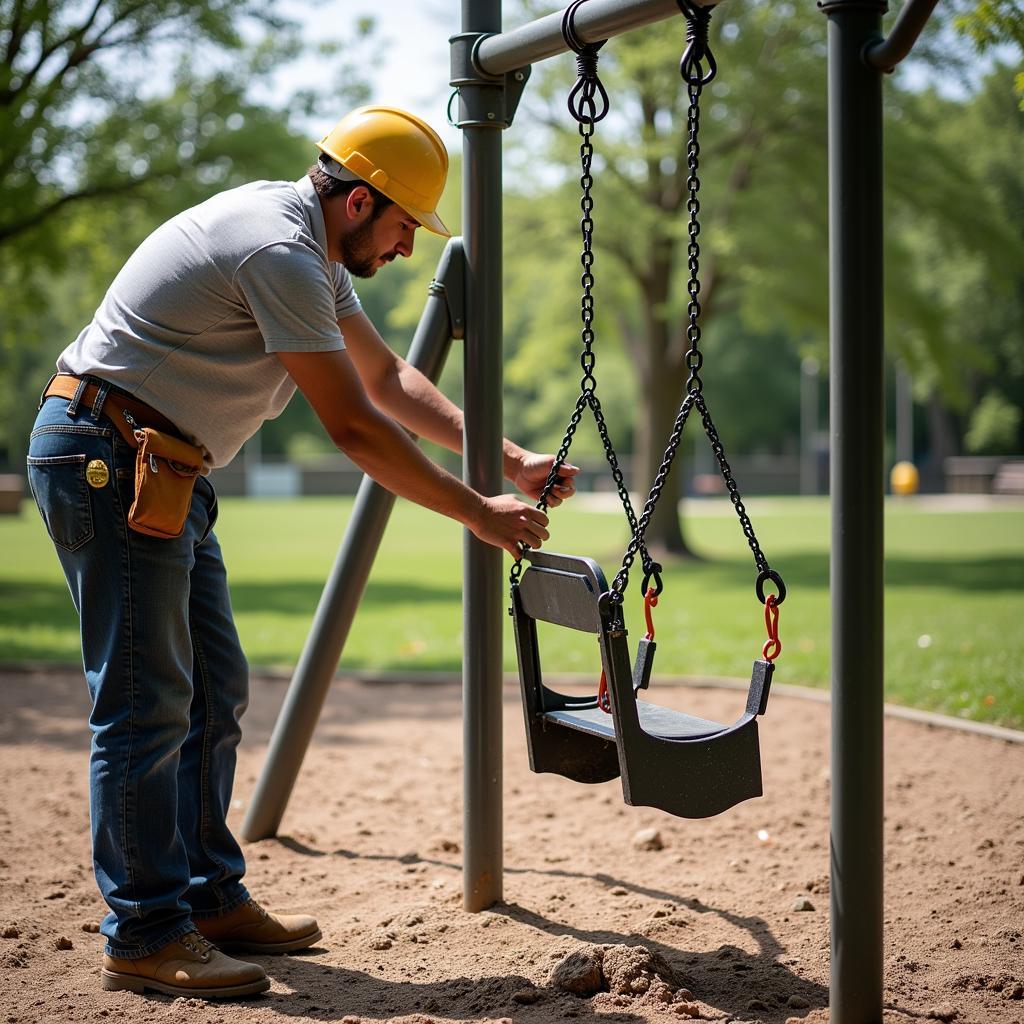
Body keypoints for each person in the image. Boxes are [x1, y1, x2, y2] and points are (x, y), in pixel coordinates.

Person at [26, 105, 577, 1000]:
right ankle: (143, 932)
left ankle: (207, 900)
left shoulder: (309, 249)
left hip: (158, 461)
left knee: (213, 687)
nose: (407, 248)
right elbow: (355, 426)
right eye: (405, 226)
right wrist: (477, 510)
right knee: (144, 703)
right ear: (359, 202)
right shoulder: (278, 250)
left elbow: (388, 380)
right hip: (108, 454)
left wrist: (506, 455)